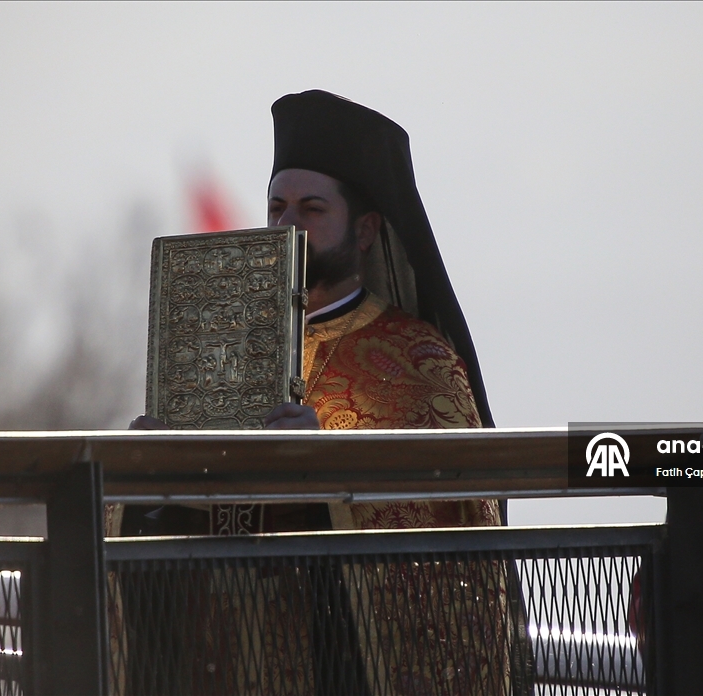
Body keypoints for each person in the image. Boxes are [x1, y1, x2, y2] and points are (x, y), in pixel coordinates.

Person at [119, 91, 522, 695]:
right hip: (211, 655)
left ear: (363, 230)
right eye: (276, 207)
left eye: (311, 208)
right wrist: (144, 473)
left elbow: (446, 534)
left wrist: (324, 468)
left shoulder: (419, 360)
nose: (286, 225)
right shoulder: (224, 345)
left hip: (333, 658)